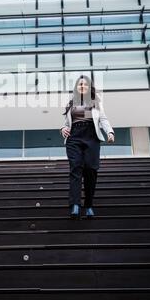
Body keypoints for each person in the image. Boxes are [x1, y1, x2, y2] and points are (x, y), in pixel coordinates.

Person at [59, 74, 115, 219]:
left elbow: (102, 118)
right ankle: (75, 205)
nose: (82, 86)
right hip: (74, 137)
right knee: (76, 168)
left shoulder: (95, 101)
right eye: (79, 84)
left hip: (91, 136)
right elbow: (67, 124)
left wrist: (109, 132)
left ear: (89, 87)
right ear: (76, 88)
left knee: (90, 169)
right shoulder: (72, 103)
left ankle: (88, 204)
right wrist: (62, 129)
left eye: (84, 84)